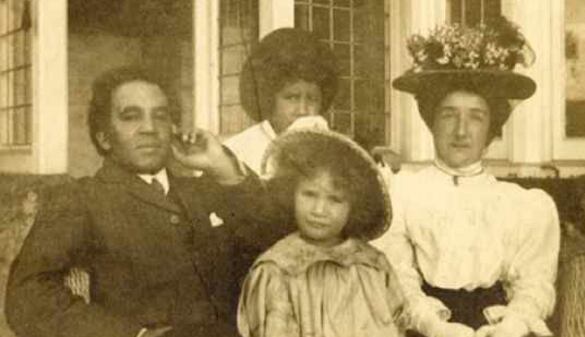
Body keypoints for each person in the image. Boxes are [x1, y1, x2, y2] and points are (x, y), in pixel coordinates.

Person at [5, 66, 275, 337]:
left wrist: (221, 164)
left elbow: (273, 238)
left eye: (160, 116)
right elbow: (28, 296)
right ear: (103, 137)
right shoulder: (81, 199)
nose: (149, 128)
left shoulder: (204, 190)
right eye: (131, 117)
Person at [372, 18, 560, 337]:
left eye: (476, 116)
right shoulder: (403, 192)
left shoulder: (521, 204)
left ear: (491, 127)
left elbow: (534, 281)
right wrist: (429, 322)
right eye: (449, 114)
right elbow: (396, 274)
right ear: (432, 120)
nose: (461, 130)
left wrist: (516, 320)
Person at [237, 128, 405, 337]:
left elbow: (398, 324)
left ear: (355, 205)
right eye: (309, 194)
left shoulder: (374, 265)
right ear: (290, 194)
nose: (319, 210)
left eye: (335, 199)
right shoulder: (276, 269)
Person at [225, 27, 338, 173]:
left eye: (312, 99)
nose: (303, 111)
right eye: (292, 98)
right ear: (269, 98)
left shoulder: (332, 150)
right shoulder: (238, 152)